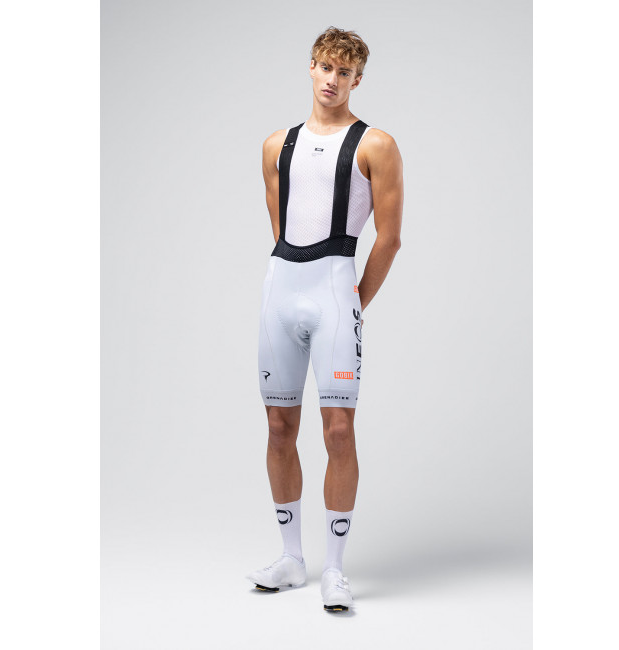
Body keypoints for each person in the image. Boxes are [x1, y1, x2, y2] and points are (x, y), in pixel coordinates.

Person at [246, 26, 404, 613]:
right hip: (280, 291)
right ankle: (291, 559)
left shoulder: (375, 145)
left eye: (345, 72)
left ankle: (334, 569)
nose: (332, 80)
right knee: (278, 428)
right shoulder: (276, 145)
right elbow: (281, 226)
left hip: (335, 292)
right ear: (310, 68)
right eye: (325, 68)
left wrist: (354, 298)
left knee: (338, 430)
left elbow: (389, 237)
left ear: (357, 80)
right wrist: (294, 285)